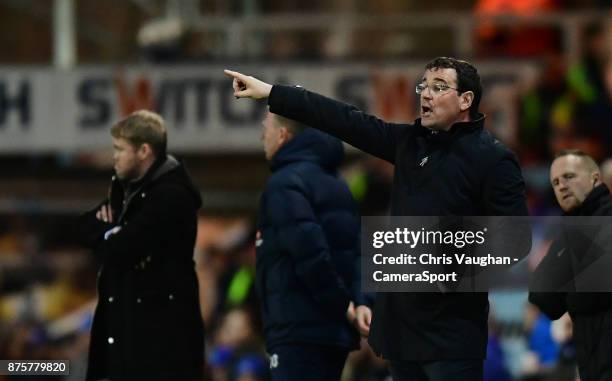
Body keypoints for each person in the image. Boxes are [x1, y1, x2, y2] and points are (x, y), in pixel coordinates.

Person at [224, 56, 528, 381]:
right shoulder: (410, 144)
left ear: (466, 99)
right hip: (402, 333)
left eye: (439, 88)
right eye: (423, 85)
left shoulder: (494, 160)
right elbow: (345, 120)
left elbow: (513, 241)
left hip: (453, 335)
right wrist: (273, 93)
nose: (425, 94)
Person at [77, 110, 205, 380]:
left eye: (120, 149)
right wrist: (111, 232)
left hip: (159, 346)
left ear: (144, 151)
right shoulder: (127, 191)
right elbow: (85, 225)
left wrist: (111, 234)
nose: (114, 156)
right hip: (125, 340)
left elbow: (120, 249)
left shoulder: (172, 197)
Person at [255, 111, 364, 381]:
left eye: (266, 127)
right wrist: (362, 303)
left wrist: (342, 306)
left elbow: (309, 254)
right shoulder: (339, 184)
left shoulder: (283, 184)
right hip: (333, 335)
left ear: (283, 135)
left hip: (299, 332)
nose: (262, 134)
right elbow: (360, 253)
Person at [529, 149, 612, 381]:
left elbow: (594, 292)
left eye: (569, 177)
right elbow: (542, 297)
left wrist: (571, 292)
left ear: (595, 178)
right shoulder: (573, 231)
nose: (561, 186)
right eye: (555, 182)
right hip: (592, 368)